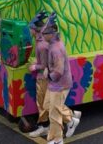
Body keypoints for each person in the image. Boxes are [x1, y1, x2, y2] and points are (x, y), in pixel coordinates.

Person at [41, 14, 81, 144]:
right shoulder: (53, 44)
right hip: (55, 84)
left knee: (54, 112)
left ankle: (57, 139)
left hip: (59, 84)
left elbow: (58, 70)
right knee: (49, 106)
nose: (42, 36)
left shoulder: (56, 49)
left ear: (51, 34)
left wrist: (48, 74)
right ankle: (70, 120)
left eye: (44, 34)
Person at [28, 11, 51, 139]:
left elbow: (45, 64)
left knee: (42, 103)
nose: (29, 31)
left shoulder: (41, 45)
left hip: (43, 77)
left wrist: (34, 66)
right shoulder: (40, 40)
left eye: (30, 28)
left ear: (34, 29)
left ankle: (44, 127)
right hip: (44, 76)